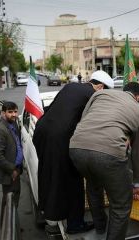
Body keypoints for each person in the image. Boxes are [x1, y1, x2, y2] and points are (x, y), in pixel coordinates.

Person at [32, 70, 114, 234]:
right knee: (74, 181)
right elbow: (95, 123)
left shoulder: (71, 87)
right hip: (59, 138)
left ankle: (47, 214)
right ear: (99, 86)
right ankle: (75, 224)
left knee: (49, 174)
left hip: (42, 132)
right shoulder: (93, 94)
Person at [69, 82, 139, 240]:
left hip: (76, 147)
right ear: (138, 97)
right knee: (121, 205)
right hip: (109, 154)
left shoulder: (100, 94)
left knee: (93, 187)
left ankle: (100, 227)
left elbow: (84, 119)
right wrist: (137, 183)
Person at [0, 101, 23, 226]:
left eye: (15, 111)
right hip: (10, 172)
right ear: (3, 113)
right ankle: (7, 230)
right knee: (9, 202)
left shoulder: (13, 124)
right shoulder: (0, 130)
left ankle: (12, 226)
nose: (14, 114)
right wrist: (12, 169)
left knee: (14, 200)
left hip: (16, 169)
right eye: (10, 112)